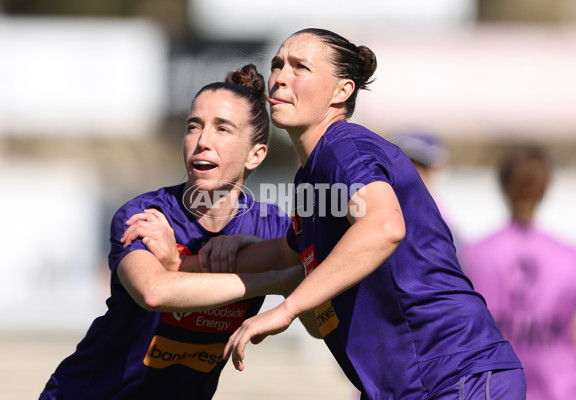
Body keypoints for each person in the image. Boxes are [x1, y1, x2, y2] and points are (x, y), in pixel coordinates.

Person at [200, 28, 526, 399]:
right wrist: (194, 256)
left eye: (300, 67)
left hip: (454, 375)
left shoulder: (343, 146)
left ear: (342, 91)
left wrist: (287, 309)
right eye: (277, 64)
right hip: (413, 383)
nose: (279, 77)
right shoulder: (310, 178)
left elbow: (384, 226)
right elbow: (286, 257)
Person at [39, 64, 306, 399]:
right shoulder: (145, 216)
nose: (202, 141)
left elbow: (313, 294)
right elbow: (154, 292)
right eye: (194, 126)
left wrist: (247, 253)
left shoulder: (271, 228)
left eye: (222, 129)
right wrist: (273, 281)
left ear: (256, 154)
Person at [462, 146, 576, 400]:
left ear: (502, 186)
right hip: (558, 391)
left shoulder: (473, 254)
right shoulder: (569, 257)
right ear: (546, 187)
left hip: (493, 391)